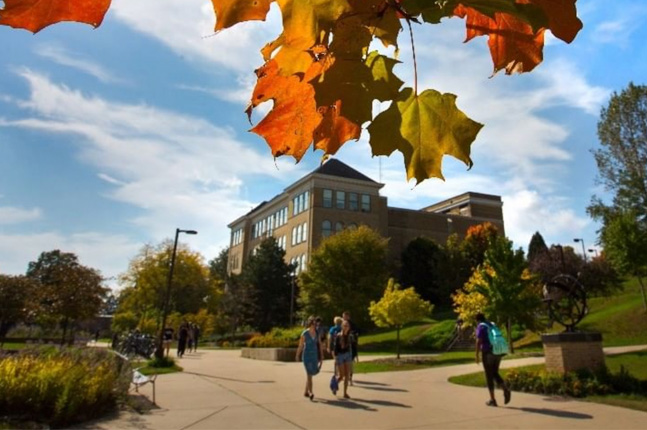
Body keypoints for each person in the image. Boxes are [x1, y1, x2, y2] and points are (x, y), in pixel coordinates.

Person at [475, 312, 511, 407]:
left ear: (477, 320)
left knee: (489, 375)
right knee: (494, 372)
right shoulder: (492, 324)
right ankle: (505, 389)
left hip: (488, 352)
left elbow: (479, 341)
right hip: (497, 351)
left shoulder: (481, 326)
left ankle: (492, 400)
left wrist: (476, 355)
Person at [295, 316, 323, 401]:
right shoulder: (305, 334)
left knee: (311, 374)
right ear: (310, 324)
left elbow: (320, 345)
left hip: (314, 356)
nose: (315, 325)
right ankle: (311, 392)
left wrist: (321, 356)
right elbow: (301, 345)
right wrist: (297, 355)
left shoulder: (317, 333)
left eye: (315, 324)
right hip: (306, 356)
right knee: (309, 374)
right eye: (313, 324)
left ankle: (306, 391)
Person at [333, 319, 355, 399]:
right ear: (342, 326)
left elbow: (353, 347)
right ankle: (334, 385)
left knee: (347, 375)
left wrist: (353, 357)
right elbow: (335, 348)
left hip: (348, 355)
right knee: (341, 376)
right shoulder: (338, 336)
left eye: (347, 326)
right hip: (340, 356)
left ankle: (345, 393)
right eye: (345, 326)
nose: (346, 327)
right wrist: (335, 358)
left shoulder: (350, 336)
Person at [342, 311, 359, 385]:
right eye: (343, 316)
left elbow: (356, 334)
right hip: (342, 348)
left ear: (348, 316)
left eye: (345, 316)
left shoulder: (353, 325)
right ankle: (345, 376)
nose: (344, 318)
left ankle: (350, 378)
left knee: (350, 363)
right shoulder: (341, 325)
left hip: (351, 347)